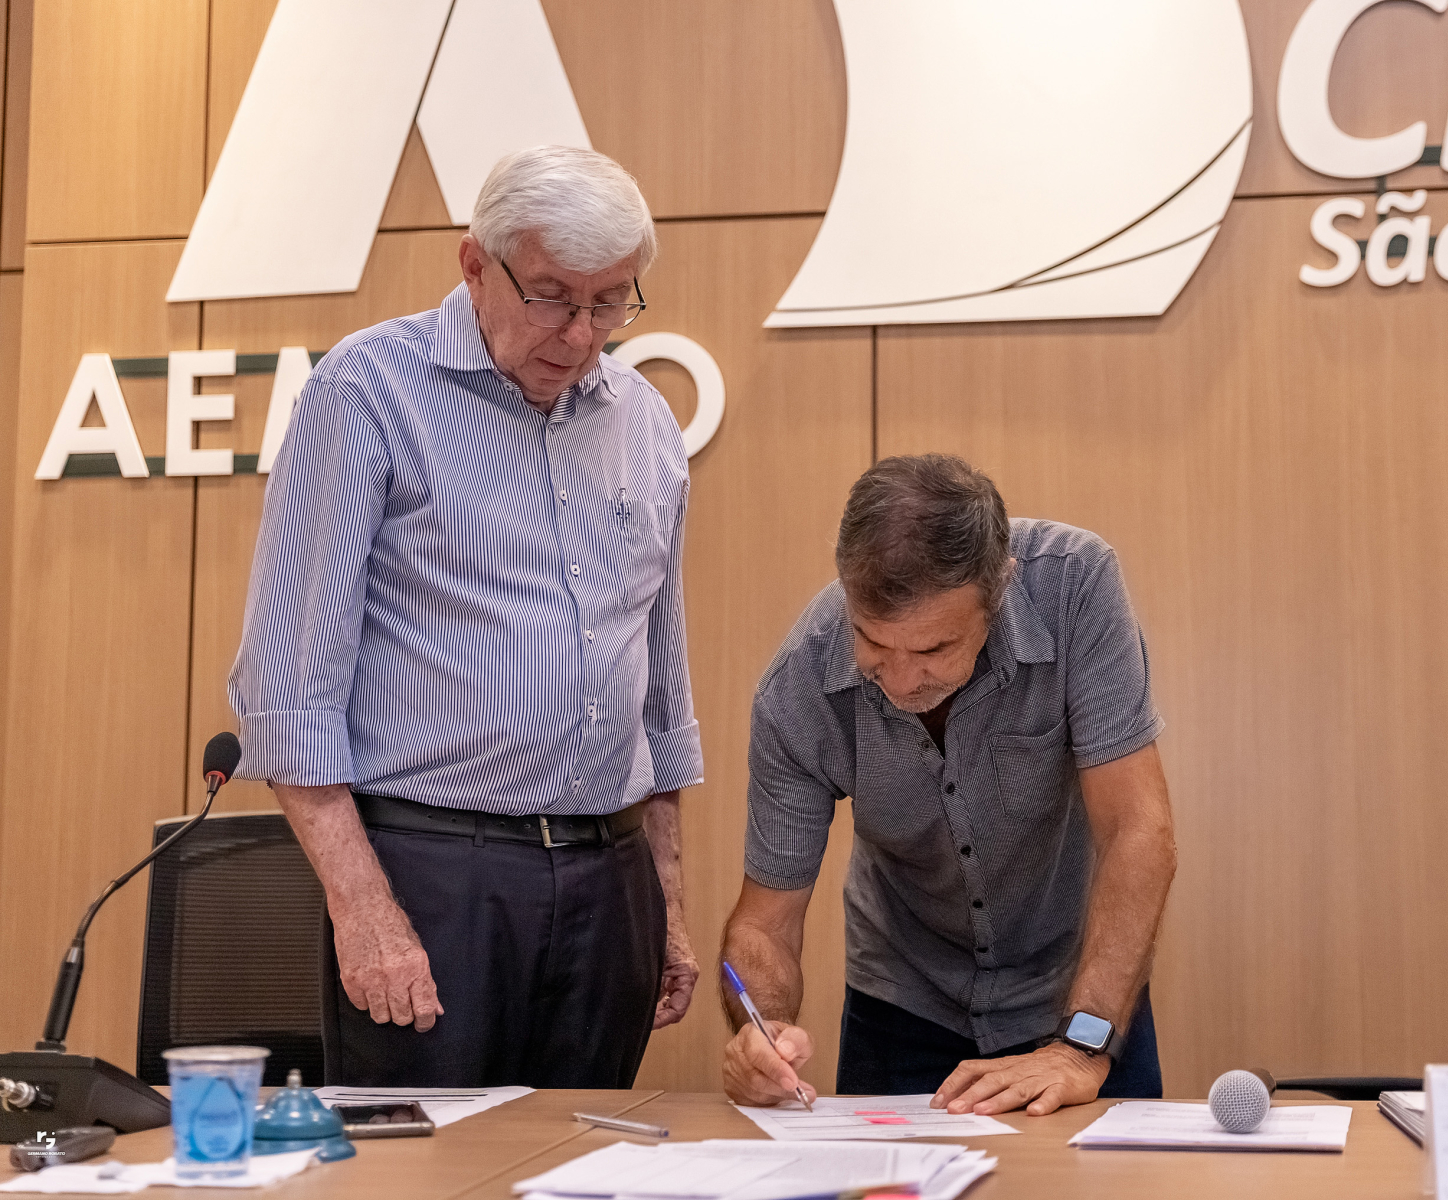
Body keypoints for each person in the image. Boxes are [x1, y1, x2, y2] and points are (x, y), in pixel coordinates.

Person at [229, 145, 701, 1087]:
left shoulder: (645, 420)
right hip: (435, 874)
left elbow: (659, 687)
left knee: (586, 1155)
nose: (581, 333)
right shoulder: (367, 393)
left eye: (610, 302)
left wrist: (669, 904)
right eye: (552, 296)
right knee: (431, 1159)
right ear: (475, 264)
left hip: (610, 877)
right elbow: (288, 696)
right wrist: (363, 910)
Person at [720, 454, 1177, 1116]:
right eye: (873, 645)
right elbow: (765, 924)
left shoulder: (1075, 586)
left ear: (999, 590)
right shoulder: (798, 686)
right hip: (903, 1004)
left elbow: (1138, 830)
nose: (903, 681)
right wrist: (760, 1033)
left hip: (1081, 1000)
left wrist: (1081, 1048)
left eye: (933, 650)